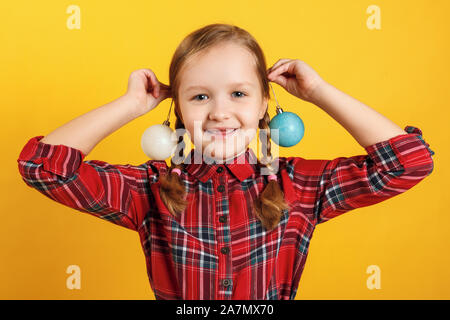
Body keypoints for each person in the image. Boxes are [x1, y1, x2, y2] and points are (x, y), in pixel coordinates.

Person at [17, 23, 435, 300]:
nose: (219, 112)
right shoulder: (150, 189)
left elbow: (408, 163)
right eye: (200, 96)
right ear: (178, 110)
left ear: (264, 105)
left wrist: (319, 92)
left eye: (238, 94)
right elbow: (42, 167)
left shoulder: (299, 186)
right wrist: (130, 106)